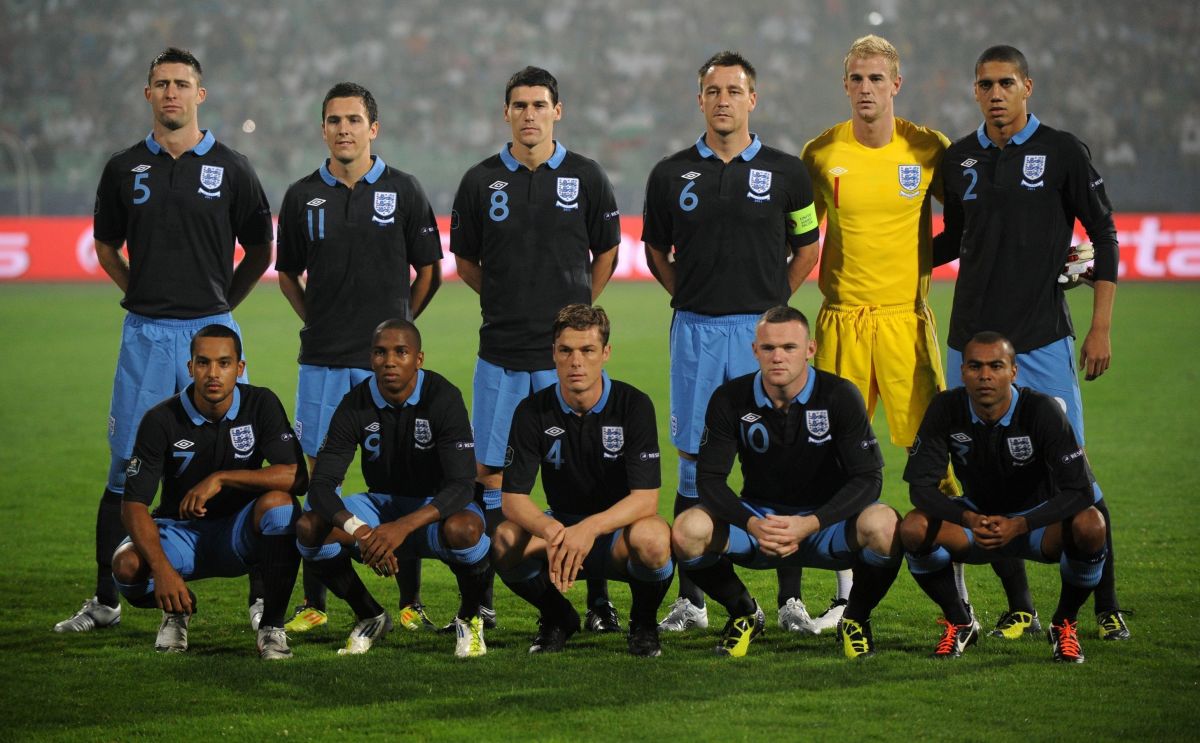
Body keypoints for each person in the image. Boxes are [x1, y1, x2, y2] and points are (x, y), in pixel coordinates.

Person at [57, 48, 274, 633]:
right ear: (147, 95)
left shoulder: (233, 166)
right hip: (147, 335)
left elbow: (261, 250)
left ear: (200, 95)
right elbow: (106, 247)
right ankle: (106, 598)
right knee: (126, 467)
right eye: (161, 84)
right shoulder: (124, 167)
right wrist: (141, 294)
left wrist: (221, 305)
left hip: (214, 329)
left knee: (245, 458)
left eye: (182, 84)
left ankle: (261, 601)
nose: (172, 92)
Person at [938, 45, 1128, 641]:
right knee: (984, 480)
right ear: (975, 91)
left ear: (1027, 87)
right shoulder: (960, 159)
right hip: (969, 338)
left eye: (1005, 83)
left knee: (1077, 478)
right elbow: (953, 242)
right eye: (985, 85)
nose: (995, 94)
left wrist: (1100, 326)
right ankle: (1020, 604)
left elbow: (1104, 233)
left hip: (1042, 340)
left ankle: (1105, 605)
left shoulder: (1063, 151)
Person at [642, 51, 821, 634]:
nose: (723, 100)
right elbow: (654, 251)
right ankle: (692, 600)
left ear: (753, 99)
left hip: (761, 334)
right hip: (696, 330)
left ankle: (791, 598)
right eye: (713, 91)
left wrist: (771, 311)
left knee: (781, 458)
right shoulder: (670, 173)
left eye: (734, 90)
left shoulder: (788, 171)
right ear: (700, 100)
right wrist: (690, 298)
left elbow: (807, 249)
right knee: (695, 461)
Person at [450, 66, 622, 633]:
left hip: (566, 362)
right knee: (493, 475)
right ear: (506, 113)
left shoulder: (586, 176)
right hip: (501, 352)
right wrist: (507, 304)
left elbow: (606, 254)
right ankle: (488, 593)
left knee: (585, 477)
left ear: (558, 110)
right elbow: (467, 263)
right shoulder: (480, 182)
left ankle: (597, 599)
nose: (530, 115)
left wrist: (572, 319)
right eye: (519, 105)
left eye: (539, 105)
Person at [797, 34, 953, 635]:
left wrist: (918, 261)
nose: (866, 89)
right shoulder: (821, 153)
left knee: (934, 463)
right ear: (846, 86)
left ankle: (955, 607)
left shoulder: (927, 148)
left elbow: (968, 219)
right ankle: (842, 600)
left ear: (896, 85)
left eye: (876, 79)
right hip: (840, 320)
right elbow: (804, 234)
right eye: (856, 79)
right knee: (835, 459)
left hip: (905, 322)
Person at [276, 82, 443, 635]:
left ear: (374, 128)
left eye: (353, 120)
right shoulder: (303, 196)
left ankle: (412, 601)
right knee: (320, 477)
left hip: (386, 366)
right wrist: (317, 324)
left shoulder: (405, 189)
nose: (343, 128)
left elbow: (429, 271)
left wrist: (401, 330)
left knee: (405, 476)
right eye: (333, 120)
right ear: (322, 129)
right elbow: (287, 274)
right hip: (323, 359)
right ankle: (316, 601)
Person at [672, 307, 901, 658]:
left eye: (789, 347)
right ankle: (743, 612)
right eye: (768, 348)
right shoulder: (730, 398)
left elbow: (869, 478)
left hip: (825, 525)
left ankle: (855, 618)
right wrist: (752, 523)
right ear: (755, 351)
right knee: (688, 530)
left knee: (885, 525)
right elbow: (709, 480)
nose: (778, 357)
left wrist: (810, 523)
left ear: (810, 348)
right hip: (761, 525)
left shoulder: (839, 395)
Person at [900, 332, 1107, 663]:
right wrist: (967, 518)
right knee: (912, 528)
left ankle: (1064, 624)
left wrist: (1022, 524)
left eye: (996, 366)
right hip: (977, 521)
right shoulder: (946, 407)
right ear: (963, 371)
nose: (985, 376)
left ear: (1013, 371)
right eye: (975, 367)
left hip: (1038, 524)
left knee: (1091, 525)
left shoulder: (1042, 410)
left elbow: (1080, 490)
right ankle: (960, 621)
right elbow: (921, 489)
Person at [294, 319, 492, 657]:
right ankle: (370, 615)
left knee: (467, 528)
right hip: (380, 507)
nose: (389, 361)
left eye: (401, 352)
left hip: (434, 509)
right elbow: (322, 486)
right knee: (310, 527)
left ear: (419, 359)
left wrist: (402, 527)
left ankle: (470, 618)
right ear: (370, 359)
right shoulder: (355, 402)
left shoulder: (443, 397)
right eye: (380, 353)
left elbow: (461, 485)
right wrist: (361, 530)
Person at [109, 326, 306, 659]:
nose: (213, 373)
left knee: (282, 506)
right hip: (180, 535)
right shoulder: (160, 419)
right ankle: (176, 611)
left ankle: (272, 628)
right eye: (203, 363)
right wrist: (163, 571)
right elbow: (133, 506)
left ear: (239, 369)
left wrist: (223, 478)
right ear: (190, 368)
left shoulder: (261, 403)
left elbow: (297, 476)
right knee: (126, 567)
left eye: (224, 363)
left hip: (238, 533)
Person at [491, 305, 673, 656]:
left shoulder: (633, 405)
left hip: (617, 536)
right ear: (554, 354)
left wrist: (588, 529)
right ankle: (558, 617)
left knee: (653, 537)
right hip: (559, 533)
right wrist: (552, 530)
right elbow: (513, 498)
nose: (576, 361)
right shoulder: (532, 411)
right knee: (503, 540)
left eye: (587, 350)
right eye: (566, 350)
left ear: (605, 353)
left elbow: (646, 500)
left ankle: (644, 624)